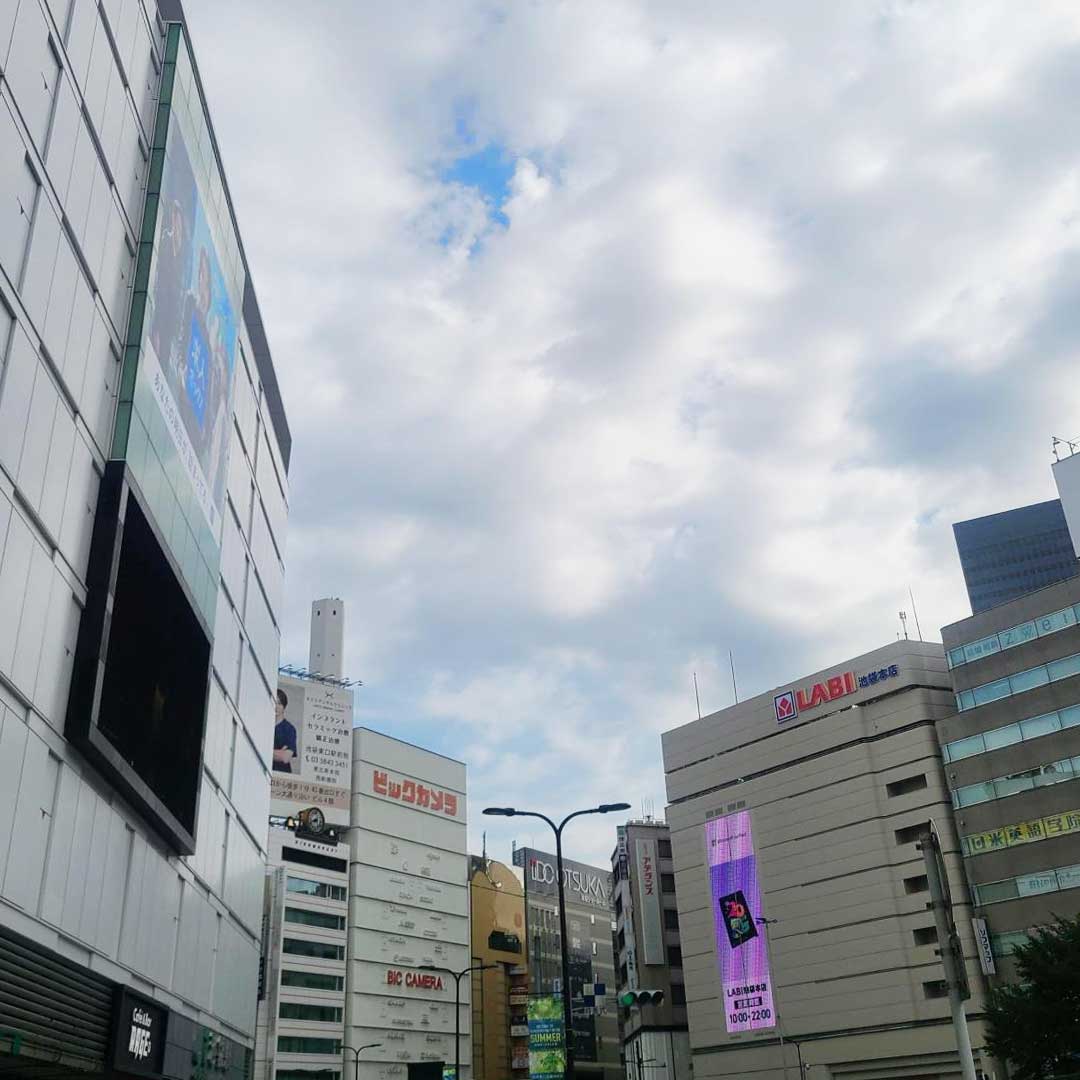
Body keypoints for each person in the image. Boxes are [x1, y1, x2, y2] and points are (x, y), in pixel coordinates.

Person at [273, 689, 298, 773]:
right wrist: (278, 752)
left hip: (281, 776)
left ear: (284, 706)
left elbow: (285, 757)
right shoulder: (263, 725)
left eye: (279, 703)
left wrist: (263, 750)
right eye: (274, 702)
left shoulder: (289, 729)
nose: (276, 706)